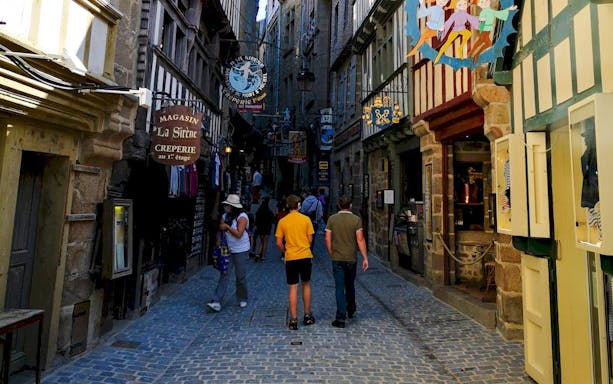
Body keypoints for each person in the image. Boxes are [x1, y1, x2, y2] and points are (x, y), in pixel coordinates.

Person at [325, 195, 369, 328]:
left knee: (339, 287)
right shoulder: (356, 220)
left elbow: (327, 238)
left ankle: (340, 317)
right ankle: (351, 308)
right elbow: (360, 239)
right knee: (350, 284)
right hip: (351, 258)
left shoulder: (332, 219)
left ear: (339, 205)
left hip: (337, 258)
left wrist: (331, 253)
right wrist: (365, 257)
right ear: (350, 206)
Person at [275, 194, 316, 330]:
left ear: (287, 206)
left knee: (293, 287)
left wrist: (285, 250)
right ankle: (307, 315)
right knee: (306, 284)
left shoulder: (283, 221)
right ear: (299, 205)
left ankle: (293, 320)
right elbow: (310, 240)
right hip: (305, 255)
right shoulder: (306, 220)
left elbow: (278, 242)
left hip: (291, 257)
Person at [207, 194, 250, 312]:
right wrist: (218, 241)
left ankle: (242, 297)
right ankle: (217, 300)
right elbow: (220, 231)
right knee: (224, 274)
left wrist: (227, 226)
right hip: (227, 249)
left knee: (240, 276)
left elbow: (239, 234)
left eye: (228, 206)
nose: (226, 207)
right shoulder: (225, 216)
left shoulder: (242, 217)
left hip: (241, 249)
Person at [253, 196, 275, 262]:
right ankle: (263, 256)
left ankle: (257, 253)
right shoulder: (270, 212)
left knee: (261, 241)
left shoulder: (259, 211)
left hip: (260, 227)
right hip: (267, 228)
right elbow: (273, 220)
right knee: (265, 242)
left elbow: (256, 220)